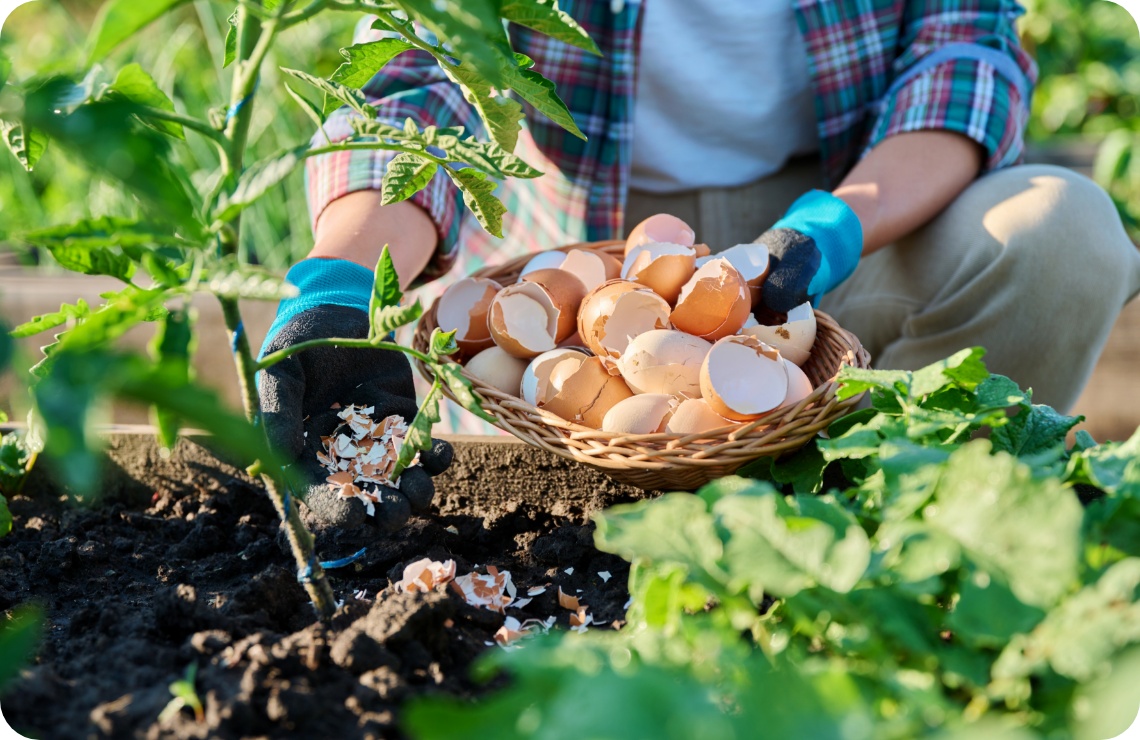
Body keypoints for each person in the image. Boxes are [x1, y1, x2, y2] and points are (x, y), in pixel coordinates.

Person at [259, 0, 1140, 530]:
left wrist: (832, 227)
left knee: (1062, 235)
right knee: (551, 445)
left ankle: (909, 543)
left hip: (851, 212)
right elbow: (423, 73)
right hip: (579, 252)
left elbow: (964, 50)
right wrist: (341, 279)